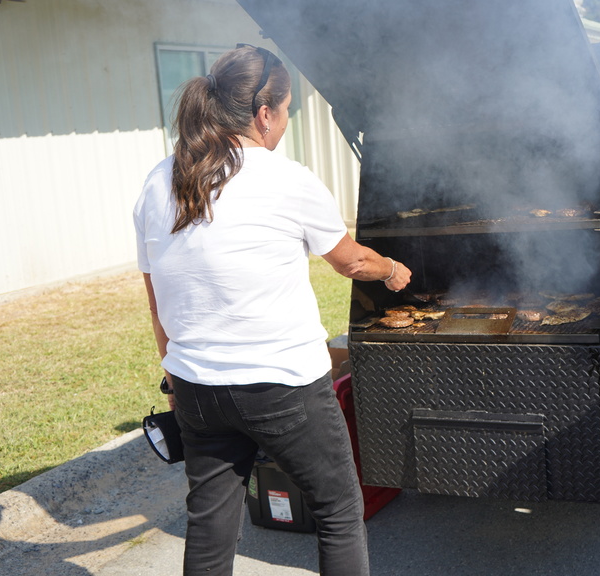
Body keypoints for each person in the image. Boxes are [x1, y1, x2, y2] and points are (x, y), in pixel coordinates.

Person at [133, 44, 411, 576]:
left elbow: (156, 292)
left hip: (197, 389)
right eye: (287, 110)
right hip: (281, 385)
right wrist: (392, 268)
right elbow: (350, 261)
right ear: (264, 114)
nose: (285, 123)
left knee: (211, 523)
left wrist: (170, 370)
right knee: (337, 509)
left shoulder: (159, 179)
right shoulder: (287, 178)